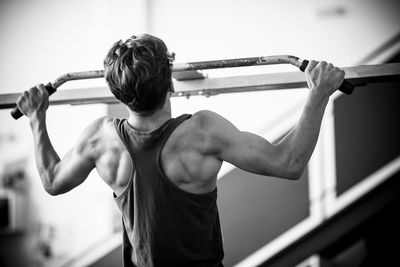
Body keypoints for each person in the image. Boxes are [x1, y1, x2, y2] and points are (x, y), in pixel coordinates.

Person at [16, 34, 345, 267]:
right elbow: (289, 163)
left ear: (119, 95)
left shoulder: (100, 140)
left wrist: (36, 117)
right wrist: (318, 95)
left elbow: (52, 180)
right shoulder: (202, 132)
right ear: (170, 82)